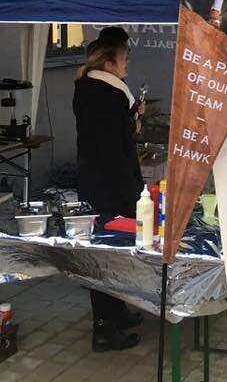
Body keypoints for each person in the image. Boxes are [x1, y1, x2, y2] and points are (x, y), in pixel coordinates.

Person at [73, 40, 145, 351]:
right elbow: (111, 151)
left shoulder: (99, 91)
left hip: (102, 184)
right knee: (105, 256)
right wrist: (131, 192)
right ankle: (104, 328)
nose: (127, 64)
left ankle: (116, 313)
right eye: (124, 58)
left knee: (113, 254)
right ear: (108, 64)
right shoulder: (103, 96)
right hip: (108, 188)